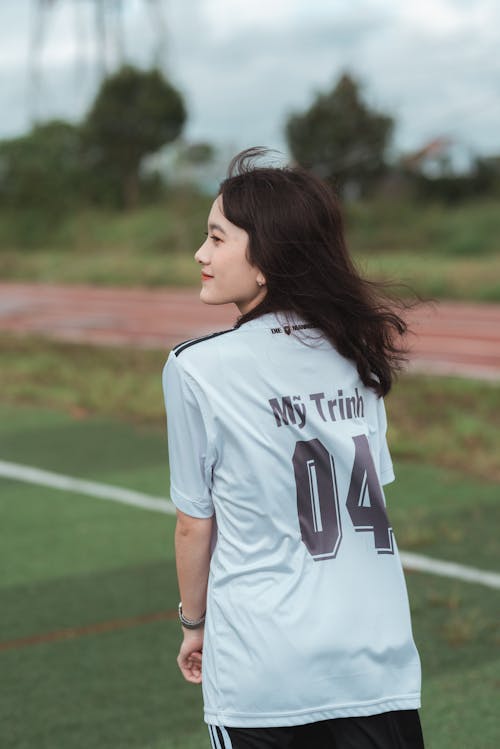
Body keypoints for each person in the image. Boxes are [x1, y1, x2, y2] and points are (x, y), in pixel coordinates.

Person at [162, 148, 424, 749]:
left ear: (266, 259)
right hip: (376, 658)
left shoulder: (196, 367)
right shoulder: (358, 350)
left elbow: (192, 523)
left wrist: (194, 624)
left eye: (216, 238)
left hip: (265, 666)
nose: (201, 255)